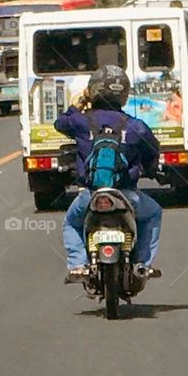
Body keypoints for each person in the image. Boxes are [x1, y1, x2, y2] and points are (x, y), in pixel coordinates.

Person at [56, 66, 163, 284]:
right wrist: (151, 170)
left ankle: (78, 264)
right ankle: (142, 263)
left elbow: (61, 123)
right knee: (153, 214)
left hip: (90, 195)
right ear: (123, 94)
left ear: (92, 91)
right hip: (126, 195)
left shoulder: (81, 121)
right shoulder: (135, 126)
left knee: (71, 222)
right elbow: (152, 151)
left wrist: (77, 104)